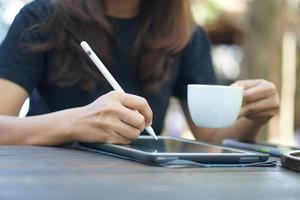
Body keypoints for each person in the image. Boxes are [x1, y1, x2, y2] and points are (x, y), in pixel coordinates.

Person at [0, 0, 279, 146]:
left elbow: (211, 139)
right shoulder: (41, 17)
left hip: (143, 183)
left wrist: (253, 116)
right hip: (45, 180)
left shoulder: (185, 35)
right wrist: (76, 122)